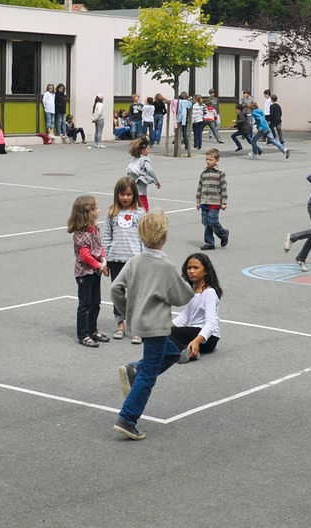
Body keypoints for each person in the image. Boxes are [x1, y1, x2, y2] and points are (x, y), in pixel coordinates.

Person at [112, 211, 194, 440]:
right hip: (157, 325)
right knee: (149, 374)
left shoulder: (134, 262)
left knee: (172, 353)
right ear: (164, 237)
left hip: (140, 323)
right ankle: (127, 418)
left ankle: (134, 369)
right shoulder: (165, 266)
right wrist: (193, 286)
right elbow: (182, 296)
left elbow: (115, 289)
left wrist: (129, 311)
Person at [102, 177, 145, 345]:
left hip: (134, 260)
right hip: (115, 260)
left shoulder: (140, 212)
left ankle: (136, 328)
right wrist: (105, 259)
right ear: (117, 195)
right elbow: (106, 237)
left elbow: (144, 237)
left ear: (134, 195)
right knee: (118, 294)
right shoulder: (112, 212)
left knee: (135, 295)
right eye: (122, 194)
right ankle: (120, 324)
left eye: (128, 194)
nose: (125, 198)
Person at [67, 195, 110, 348]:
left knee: (95, 302)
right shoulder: (82, 234)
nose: (99, 210)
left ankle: (93, 329)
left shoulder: (94, 229)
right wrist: (99, 265)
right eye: (96, 208)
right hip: (85, 274)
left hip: (95, 272)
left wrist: (104, 260)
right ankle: (83, 334)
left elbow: (99, 247)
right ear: (88, 212)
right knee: (85, 304)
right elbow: (85, 256)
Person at [170, 253, 222, 363]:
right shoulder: (193, 290)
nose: (191, 271)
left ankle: (187, 351)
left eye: (196, 268)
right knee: (163, 333)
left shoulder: (209, 293)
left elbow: (211, 323)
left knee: (168, 335)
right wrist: (163, 327)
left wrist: (197, 341)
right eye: (189, 268)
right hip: (195, 333)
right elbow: (185, 317)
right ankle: (184, 350)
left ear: (206, 271)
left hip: (208, 338)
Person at [196, 147, 229, 250]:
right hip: (204, 202)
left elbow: (223, 189)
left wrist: (224, 202)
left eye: (211, 160)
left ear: (217, 160)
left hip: (215, 202)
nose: (208, 162)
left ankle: (223, 234)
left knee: (213, 221)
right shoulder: (204, 173)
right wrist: (198, 201)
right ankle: (210, 242)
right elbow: (199, 188)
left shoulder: (220, 174)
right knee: (206, 223)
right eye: (207, 159)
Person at [126, 136, 161, 212]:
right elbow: (150, 170)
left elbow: (128, 173)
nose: (149, 151)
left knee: (132, 206)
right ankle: (143, 220)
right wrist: (157, 181)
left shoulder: (133, 160)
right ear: (142, 150)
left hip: (132, 186)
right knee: (144, 207)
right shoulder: (145, 160)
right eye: (148, 149)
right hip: (140, 188)